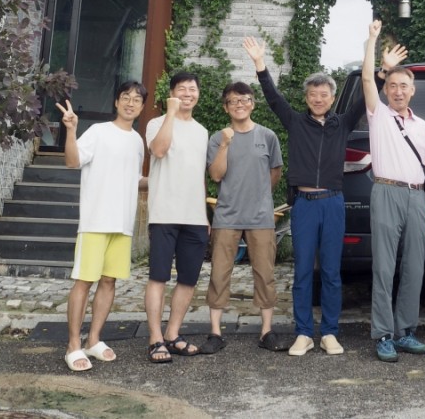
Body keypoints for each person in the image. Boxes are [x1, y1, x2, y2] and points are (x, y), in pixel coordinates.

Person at [245, 35, 385, 357]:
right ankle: (304, 333)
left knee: (332, 272)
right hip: (304, 206)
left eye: (324, 95)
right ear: (306, 97)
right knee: (303, 271)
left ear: (332, 98)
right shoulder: (295, 122)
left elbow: (365, 97)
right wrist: (260, 64)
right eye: (313, 94)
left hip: (333, 203)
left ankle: (330, 333)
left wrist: (379, 68)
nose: (318, 99)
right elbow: (273, 98)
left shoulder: (343, 123)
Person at [57, 81, 147, 372]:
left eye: (136, 100)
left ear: (142, 107)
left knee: (109, 282)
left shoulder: (138, 141)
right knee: (84, 281)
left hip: (123, 224)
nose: (130, 103)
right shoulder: (98, 132)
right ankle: (73, 345)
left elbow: (135, 180)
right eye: (125, 97)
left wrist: (166, 179)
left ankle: (93, 339)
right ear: (116, 102)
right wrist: (71, 130)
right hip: (95, 220)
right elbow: (73, 161)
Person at [362, 19, 425, 363]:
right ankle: (383, 334)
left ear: (412, 90)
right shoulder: (378, 115)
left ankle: (406, 331)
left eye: (403, 85)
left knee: (415, 267)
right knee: (384, 267)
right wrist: (373, 41)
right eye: (392, 85)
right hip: (386, 192)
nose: (397, 91)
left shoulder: (422, 126)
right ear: (386, 89)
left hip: (417, 197)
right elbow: (367, 80)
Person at [201, 80, 286, 353]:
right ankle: (215, 332)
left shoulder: (268, 136)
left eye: (245, 99)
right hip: (227, 216)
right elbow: (216, 175)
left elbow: (275, 172)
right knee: (219, 274)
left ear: (253, 103)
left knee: (265, 274)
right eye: (233, 101)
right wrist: (226, 144)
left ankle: (266, 331)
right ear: (226, 107)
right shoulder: (218, 138)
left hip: (261, 217)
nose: (240, 104)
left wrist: (259, 196)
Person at [144, 70, 209, 364]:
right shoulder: (156, 123)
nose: (187, 93)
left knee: (188, 279)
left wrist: (205, 215)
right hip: (164, 214)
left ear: (198, 94)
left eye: (192, 89)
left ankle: (172, 334)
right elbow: (159, 150)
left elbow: (199, 175)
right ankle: (155, 338)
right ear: (171, 93)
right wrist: (170, 114)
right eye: (181, 89)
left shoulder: (202, 131)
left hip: (194, 216)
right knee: (158, 277)